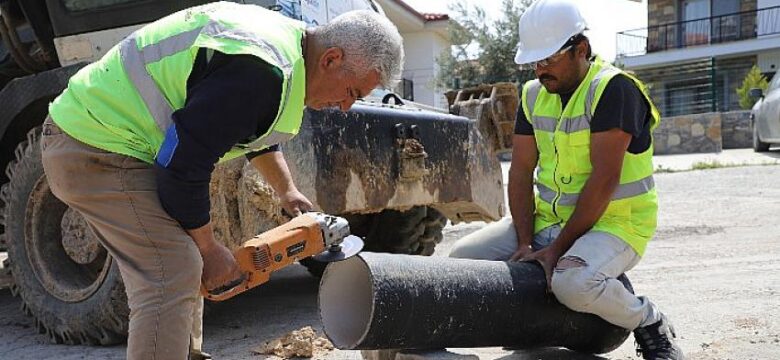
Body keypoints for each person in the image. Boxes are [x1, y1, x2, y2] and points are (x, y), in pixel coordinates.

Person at [40, 2, 403, 359]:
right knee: (173, 268)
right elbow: (182, 167)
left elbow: (252, 127)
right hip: (91, 144)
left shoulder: (286, 49)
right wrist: (211, 249)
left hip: (114, 138)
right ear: (331, 59)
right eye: (352, 92)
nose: (345, 107)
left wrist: (287, 191)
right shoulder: (260, 69)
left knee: (183, 258)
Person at [448, 0, 683, 359]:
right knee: (463, 260)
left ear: (581, 50)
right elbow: (522, 172)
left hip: (616, 226)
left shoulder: (613, 89)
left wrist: (555, 252)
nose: (541, 70)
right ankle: (535, 327)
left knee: (572, 282)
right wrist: (526, 243)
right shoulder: (532, 95)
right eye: (535, 62)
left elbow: (604, 180)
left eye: (549, 60)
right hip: (548, 221)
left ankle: (648, 320)